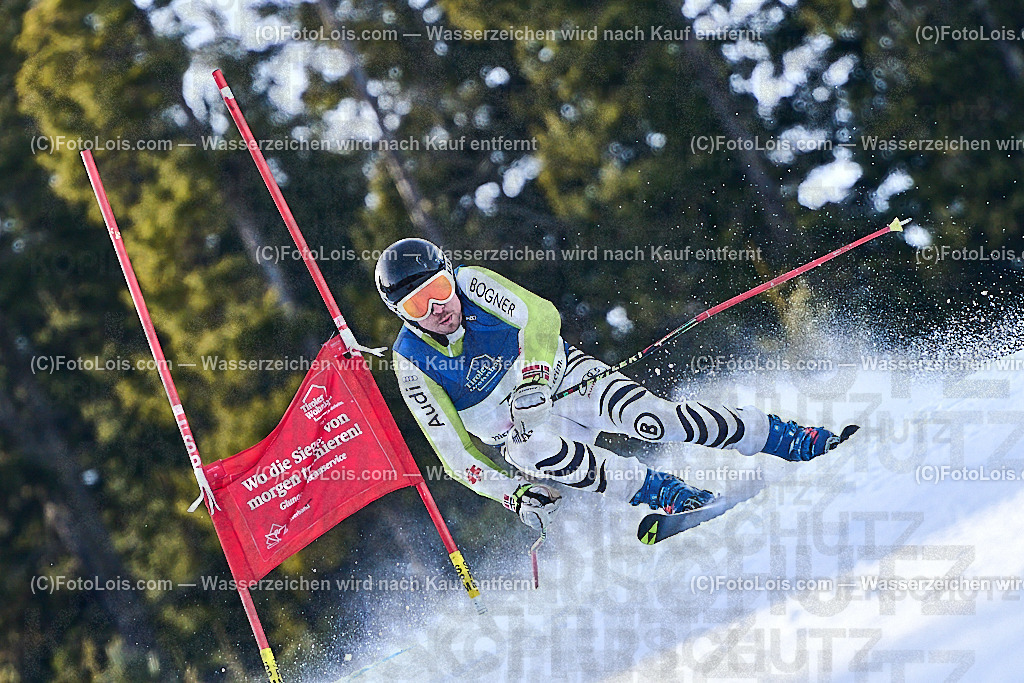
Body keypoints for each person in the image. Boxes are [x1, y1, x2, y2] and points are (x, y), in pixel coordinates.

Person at [375, 238, 854, 530]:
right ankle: (669, 494)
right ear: (402, 316)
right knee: (536, 449)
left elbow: (541, 316)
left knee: (655, 420)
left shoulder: (473, 282)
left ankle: (792, 438)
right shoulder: (412, 366)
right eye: (420, 305)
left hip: (567, 379)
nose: (439, 307)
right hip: (521, 434)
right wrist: (513, 495)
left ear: (450, 277)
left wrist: (537, 378)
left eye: (439, 289)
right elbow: (454, 454)